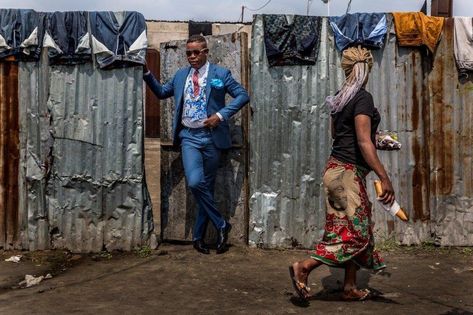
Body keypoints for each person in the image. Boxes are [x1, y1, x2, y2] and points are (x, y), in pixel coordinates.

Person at [289, 46, 395, 301]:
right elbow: (362, 141)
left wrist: (375, 138)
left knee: (352, 229)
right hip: (346, 174)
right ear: (367, 69)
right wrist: (384, 176)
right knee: (355, 232)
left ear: (346, 69)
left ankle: (349, 286)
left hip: (337, 171)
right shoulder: (362, 98)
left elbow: (338, 134)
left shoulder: (340, 97)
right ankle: (304, 267)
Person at [143, 35, 250, 255]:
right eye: (188, 53)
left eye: (196, 52)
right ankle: (221, 224)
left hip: (211, 138)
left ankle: (198, 237)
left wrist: (220, 115)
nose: (192, 57)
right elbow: (162, 92)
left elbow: (242, 95)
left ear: (205, 52)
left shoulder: (220, 74)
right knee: (195, 182)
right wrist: (146, 73)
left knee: (206, 189)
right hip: (189, 138)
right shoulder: (182, 75)